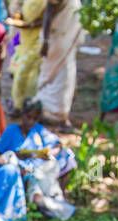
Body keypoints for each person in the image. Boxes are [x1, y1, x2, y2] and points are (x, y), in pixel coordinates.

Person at [0, 96, 76, 180]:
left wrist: (49, 154)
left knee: (67, 155)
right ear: (22, 114)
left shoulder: (38, 129)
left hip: (39, 167)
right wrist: (18, 156)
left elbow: (56, 143)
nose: (31, 121)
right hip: (19, 168)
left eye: (35, 119)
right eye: (28, 117)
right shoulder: (11, 130)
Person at [36, 0, 83, 129]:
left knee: (65, 79)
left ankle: (60, 115)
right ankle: (49, 113)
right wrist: (45, 41)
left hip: (64, 40)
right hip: (57, 40)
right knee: (57, 77)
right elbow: (49, 11)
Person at [7, 0, 45, 110]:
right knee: (19, 74)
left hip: (38, 41)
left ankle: (24, 107)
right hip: (24, 40)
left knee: (26, 75)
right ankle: (20, 106)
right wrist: (18, 16)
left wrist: (30, 25)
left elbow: (50, 17)